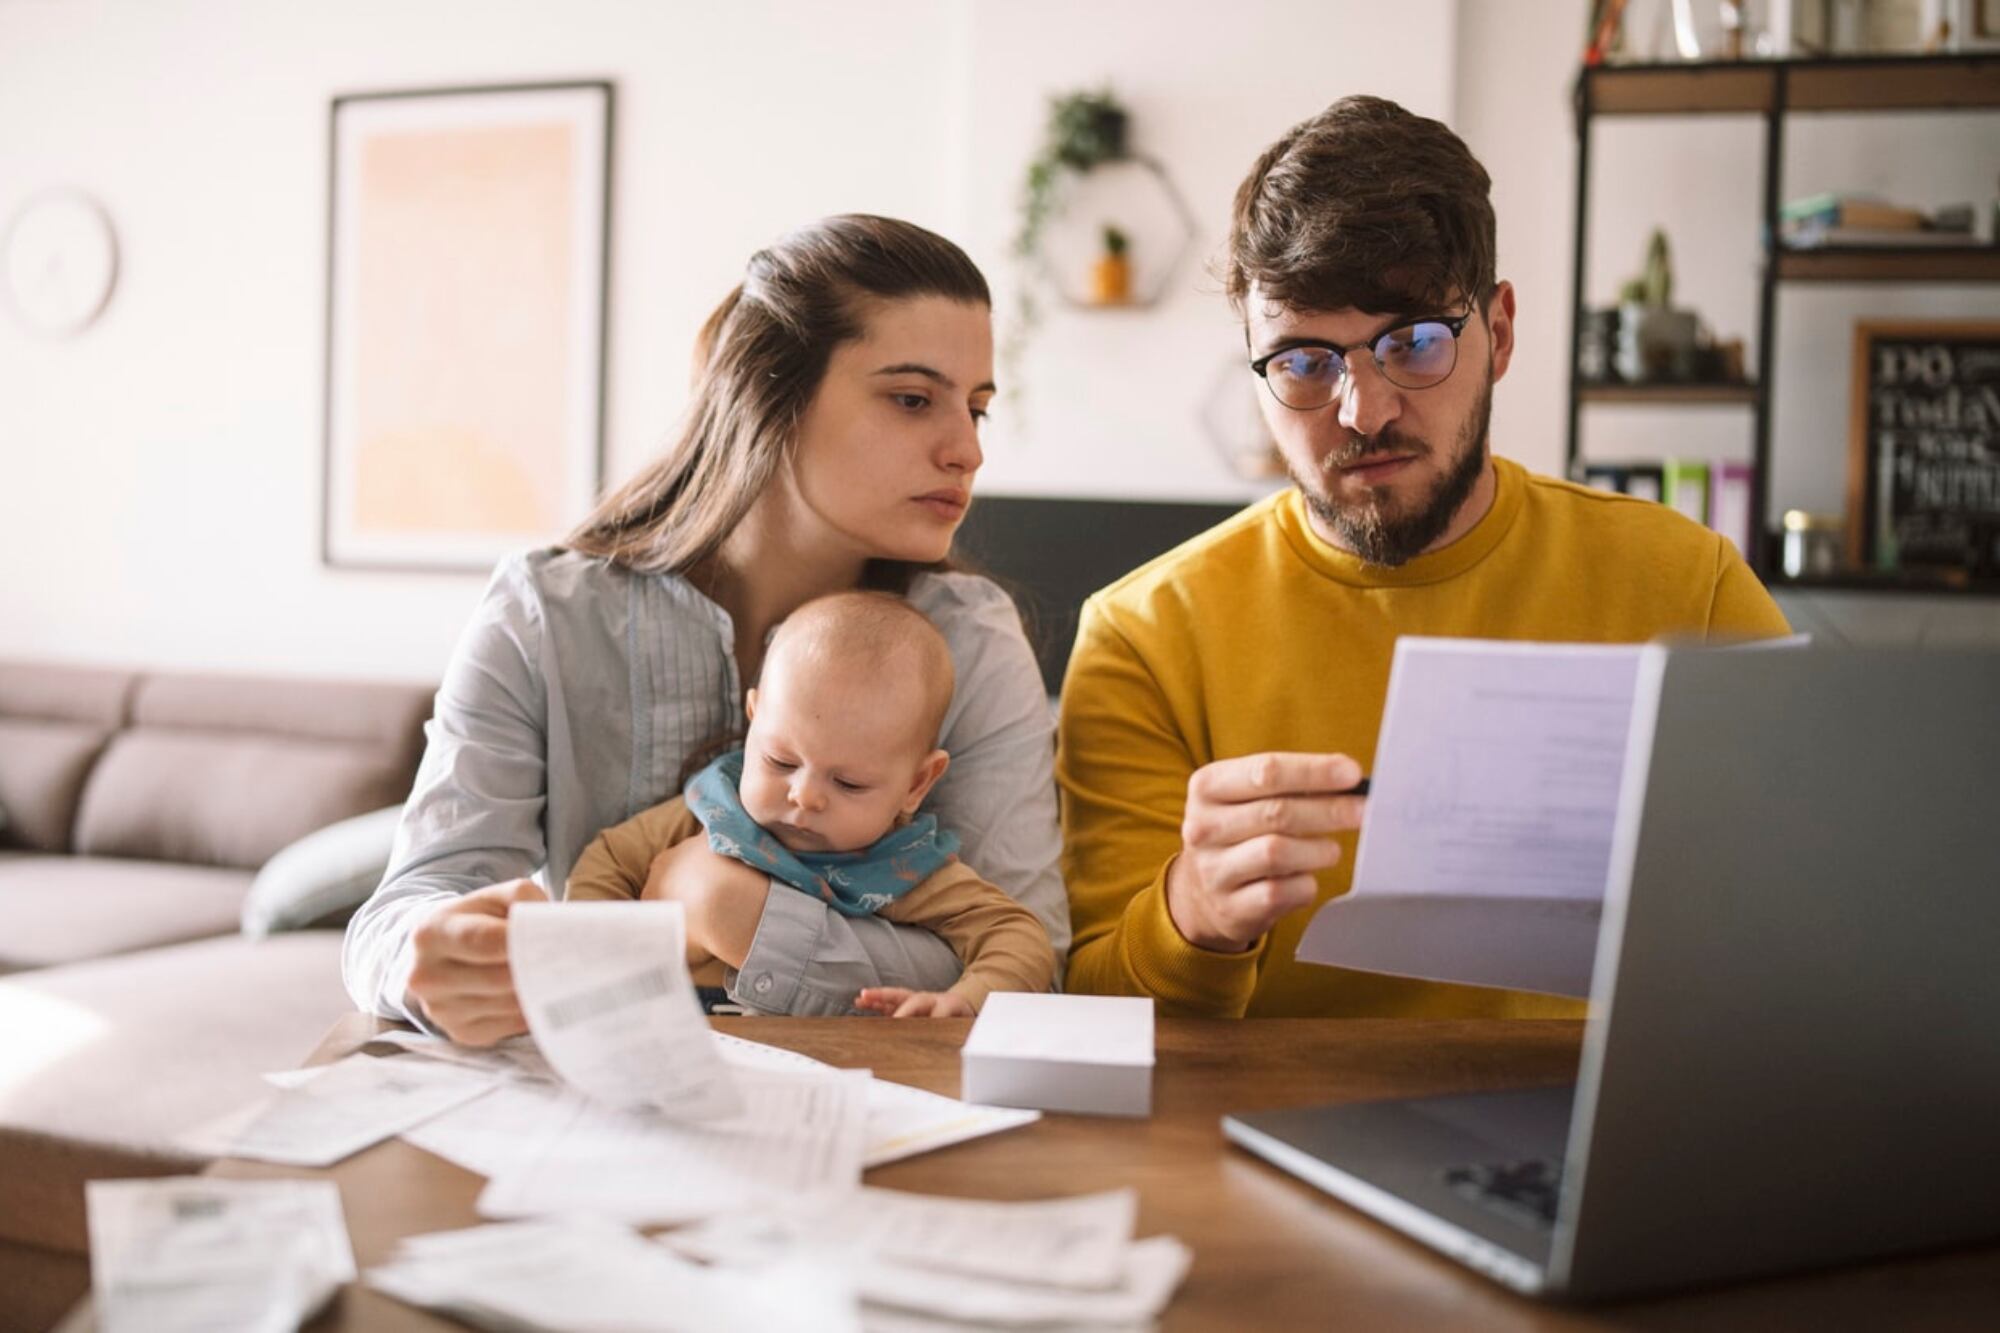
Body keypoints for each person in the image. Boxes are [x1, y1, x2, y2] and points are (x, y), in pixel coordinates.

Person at [1058, 96, 1790, 1020]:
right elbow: (1089, 1017)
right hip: (1262, 1144)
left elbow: (1818, 921)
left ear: (1503, 333)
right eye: (1304, 361)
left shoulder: (1692, 586)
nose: (1364, 411)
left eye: (1413, 343)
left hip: (1603, 1133)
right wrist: (1193, 915)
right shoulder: (1143, 637)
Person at [343, 215, 1069, 1045]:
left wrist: (729, 911)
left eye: (976, 408)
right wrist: (424, 959)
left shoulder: (969, 640)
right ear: (769, 398)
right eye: (912, 400)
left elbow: (1031, 958)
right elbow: (399, 914)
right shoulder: (544, 614)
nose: (968, 449)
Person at [566, 590, 1056, 1018]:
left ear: (917, 783)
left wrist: (968, 999)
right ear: (754, 719)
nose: (804, 795)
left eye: (848, 783)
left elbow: (1020, 938)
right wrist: (594, 964)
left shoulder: (904, 867)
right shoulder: (712, 809)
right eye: (780, 761)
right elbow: (608, 861)